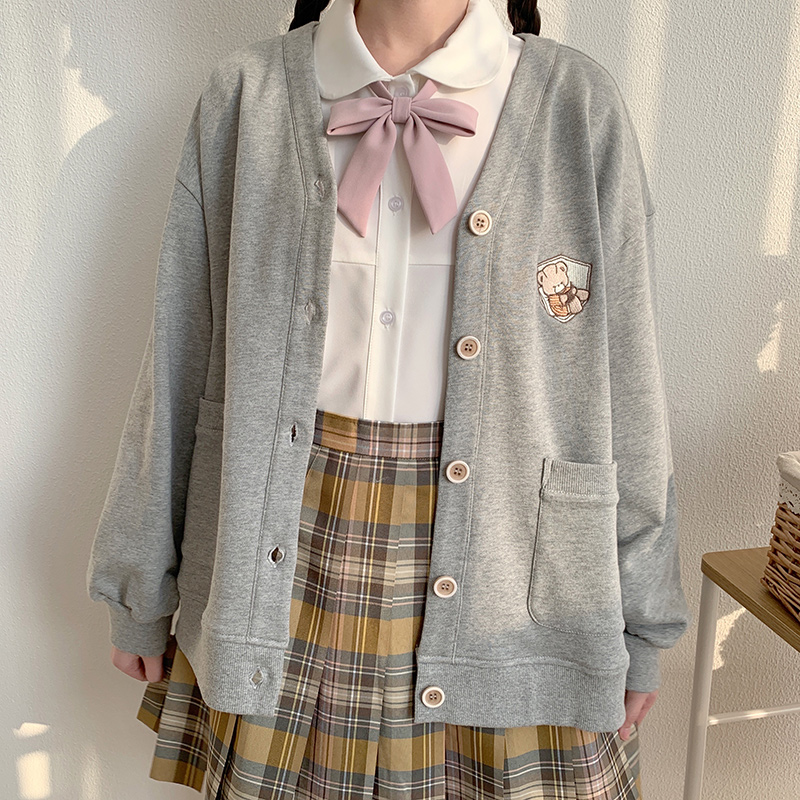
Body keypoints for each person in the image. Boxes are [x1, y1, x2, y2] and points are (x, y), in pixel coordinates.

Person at [87, 0, 692, 797]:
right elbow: (180, 353)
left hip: (514, 574)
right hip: (290, 558)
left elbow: (627, 379)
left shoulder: (576, 104)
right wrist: (140, 582)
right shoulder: (249, 95)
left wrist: (644, 617)